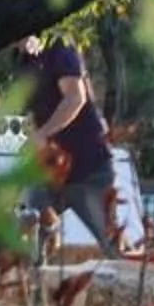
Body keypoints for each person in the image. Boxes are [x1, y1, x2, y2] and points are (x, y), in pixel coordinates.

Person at [22, 32, 126, 257]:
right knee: (28, 215)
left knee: (114, 249)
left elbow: (75, 98)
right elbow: (37, 111)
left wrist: (44, 133)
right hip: (53, 171)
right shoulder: (23, 61)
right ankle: (41, 260)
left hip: (89, 167)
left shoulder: (59, 47)